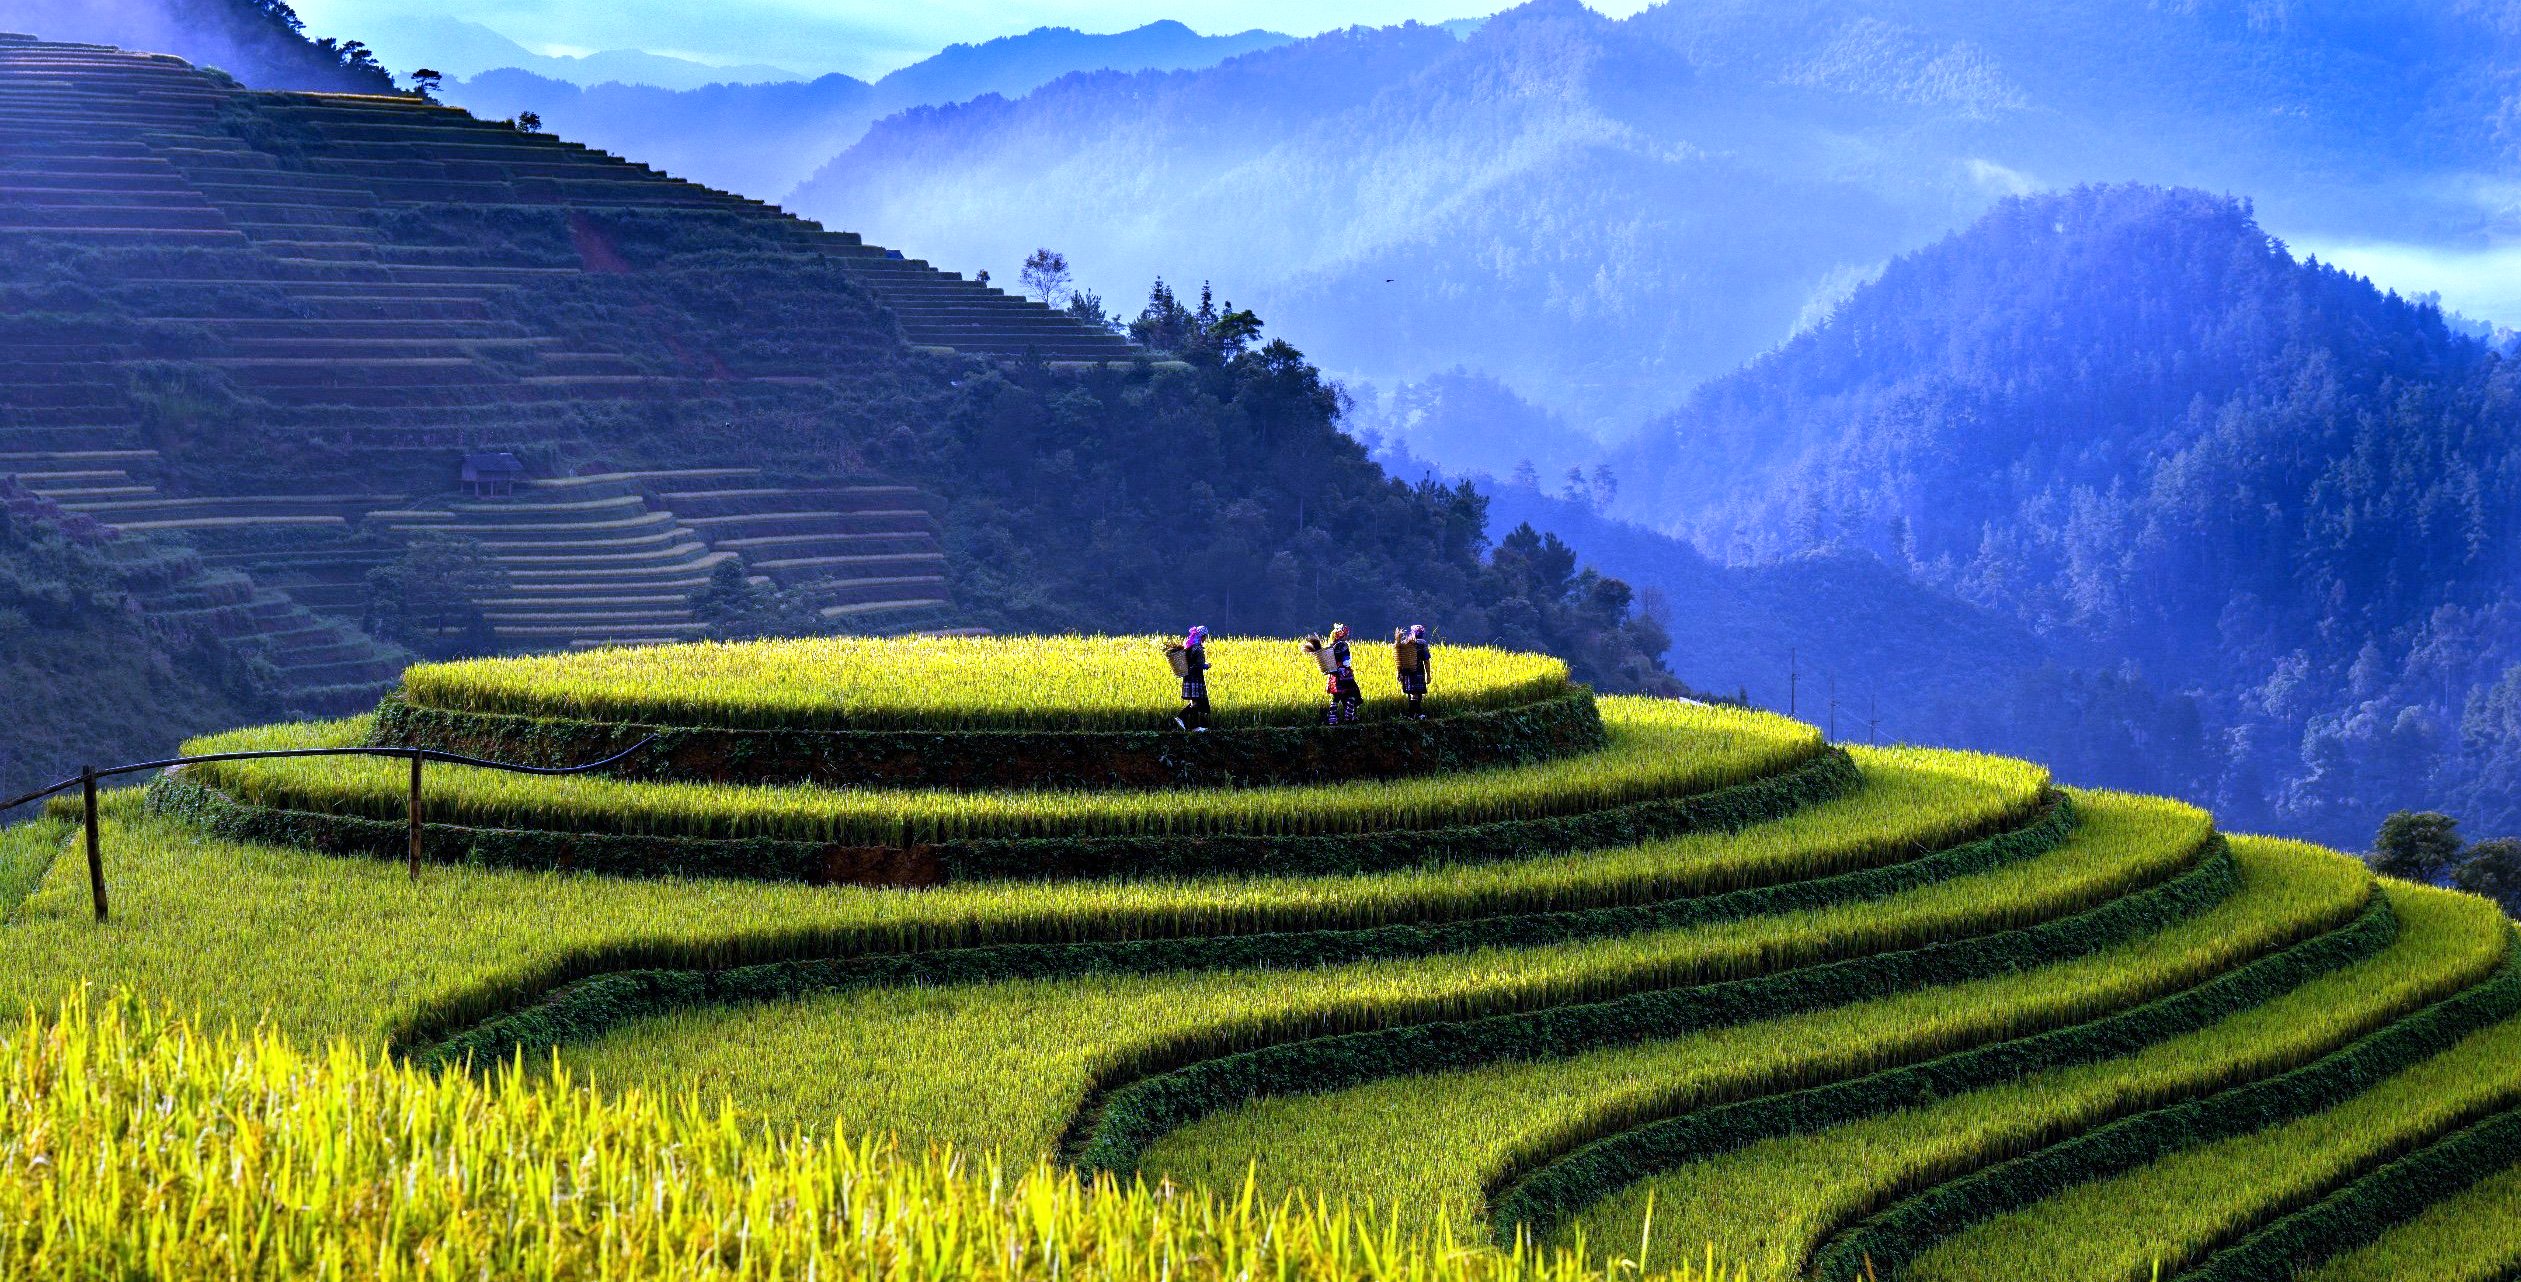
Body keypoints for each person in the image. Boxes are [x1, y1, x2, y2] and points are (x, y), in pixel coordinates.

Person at [1170, 626, 1212, 731]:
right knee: (1197, 703)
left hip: (1189, 677)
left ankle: (1195, 727)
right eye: (1205, 636)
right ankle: (1180, 717)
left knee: (1195, 703)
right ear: (1202, 636)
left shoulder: (1190, 648)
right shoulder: (1198, 649)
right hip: (1195, 678)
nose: (1205, 638)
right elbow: (1199, 665)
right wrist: (1207, 665)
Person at [1326, 622, 1363, 724]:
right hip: (1344, 674)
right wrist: (1347, 666)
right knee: (1352, 693)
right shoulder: (1343, 645)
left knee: (1336, 697)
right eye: (1346, 634)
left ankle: (1332, 719)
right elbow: (1346, 662)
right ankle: (1349, 716)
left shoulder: (1331, 646)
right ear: (1342, 635)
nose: (1347, 636)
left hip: (1333, 674)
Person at [1394, 624, 1432, 717]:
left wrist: (1399, 672)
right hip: (1418, 671)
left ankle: (1414, 714)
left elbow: (1399, 658)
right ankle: (1414, 714)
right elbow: (1426, 660)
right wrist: (1428, 674)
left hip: (1406, 672)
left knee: (1411, 692)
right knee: (1417, 694)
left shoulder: (1406, 642)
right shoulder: (1422, 643)